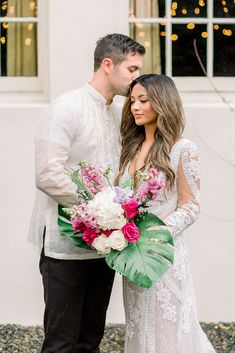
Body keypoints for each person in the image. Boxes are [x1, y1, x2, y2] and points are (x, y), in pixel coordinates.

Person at [28, 33, 145, 353]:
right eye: (132, 69)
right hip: (64, 246)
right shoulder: (66, 107)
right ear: (108, 64)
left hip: (105, 246)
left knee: (90, 340)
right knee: (61, 343)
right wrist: (100, 208)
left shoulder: (115, 114)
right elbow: (47, 175)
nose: (137, 78)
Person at [116, 74, 216, 353]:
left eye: (143, 100)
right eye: (133, 100)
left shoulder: (182, 149)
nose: (135, 106)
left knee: (168, 330)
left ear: (162, 103)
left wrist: (156, 233)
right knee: (139, 327)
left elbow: (191, 205)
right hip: (132, 259)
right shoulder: (131, 148)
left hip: (164, 256)